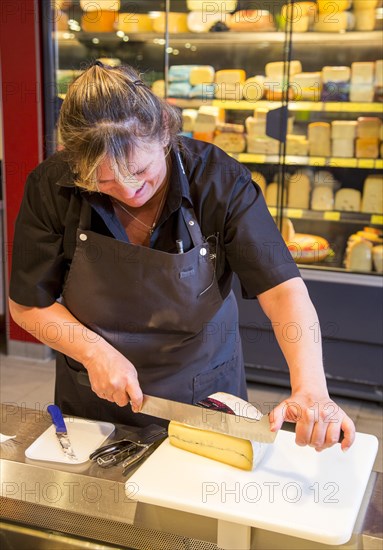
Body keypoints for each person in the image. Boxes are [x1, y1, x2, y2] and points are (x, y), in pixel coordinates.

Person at [9, 62, 355, 452]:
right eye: (103, 181)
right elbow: (27, 305)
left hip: (203, 396)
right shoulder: (51, 185)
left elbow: (282, 290)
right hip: (97, 397)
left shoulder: (218, 180)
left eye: (141, 170)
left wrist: (311, 387)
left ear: (164, 133)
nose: (128, 190)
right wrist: (93, 351)